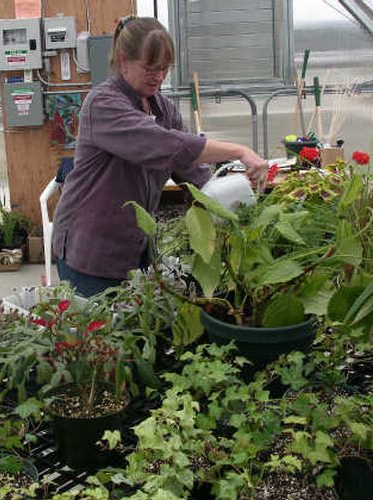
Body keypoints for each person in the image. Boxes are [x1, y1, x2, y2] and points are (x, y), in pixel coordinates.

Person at [52, 15, 268, 298]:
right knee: (102, 335)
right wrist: (240, 151)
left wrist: (236, 202)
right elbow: (164, 145)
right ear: (123, 60)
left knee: (136, 331)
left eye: (165, 69)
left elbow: (193, 170)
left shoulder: (162, 108)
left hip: (135, 245)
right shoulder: (103, 104)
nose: (159, 77)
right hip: (92, 248)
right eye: (150, 69)